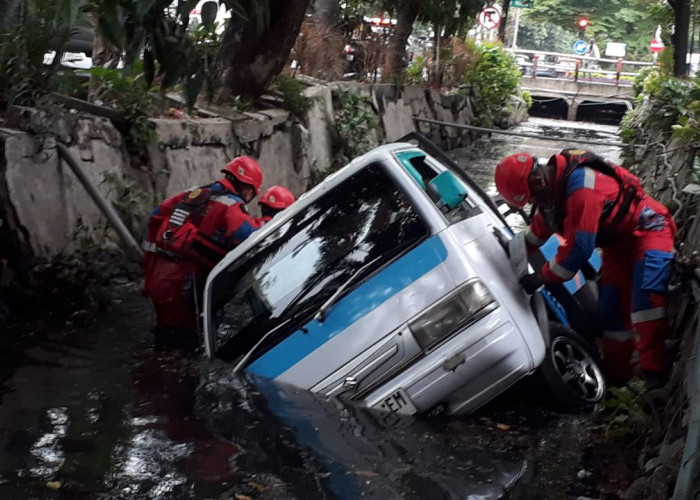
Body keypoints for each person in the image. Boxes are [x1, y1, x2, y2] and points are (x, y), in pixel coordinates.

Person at [495, 149, 676, 387]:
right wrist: (505, 252)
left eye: (532, 198)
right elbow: (535, 235)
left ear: (538, 182)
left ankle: (655, 375)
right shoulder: (554, 193)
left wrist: (540, 277)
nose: (534, 204)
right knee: (610, 309)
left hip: (649, 227)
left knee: (645, 303)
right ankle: (617, 378)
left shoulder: (581, 192)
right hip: (617, 243)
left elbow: (578, 252)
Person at [142, 156, 264, 349]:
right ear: (248, 190)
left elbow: (155, 216)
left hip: (159, 276)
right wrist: (267, 222)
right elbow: (249, 237)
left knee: (165, 335)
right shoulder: (231, 205)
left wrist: (149, 264)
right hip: (184, 282)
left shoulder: (194, 193)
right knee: (187, 342)